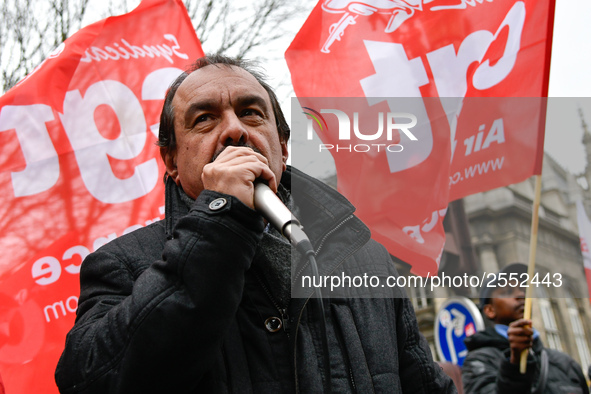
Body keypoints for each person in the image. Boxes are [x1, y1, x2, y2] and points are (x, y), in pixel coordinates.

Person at [55, 54, 455, 393]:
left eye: (250, 112)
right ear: (173, 162)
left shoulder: (368, 260)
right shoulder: (121, 265)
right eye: (204, 119)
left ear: (282, 145)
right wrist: (220, 219)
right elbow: (91, 379)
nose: (234, 130)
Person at [462, 263, 589, 394]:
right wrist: (514, 364)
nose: (521, 295)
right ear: (490, 310)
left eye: (523, 289)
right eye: (508, 292)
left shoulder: (565, 363)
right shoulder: (479, 361)